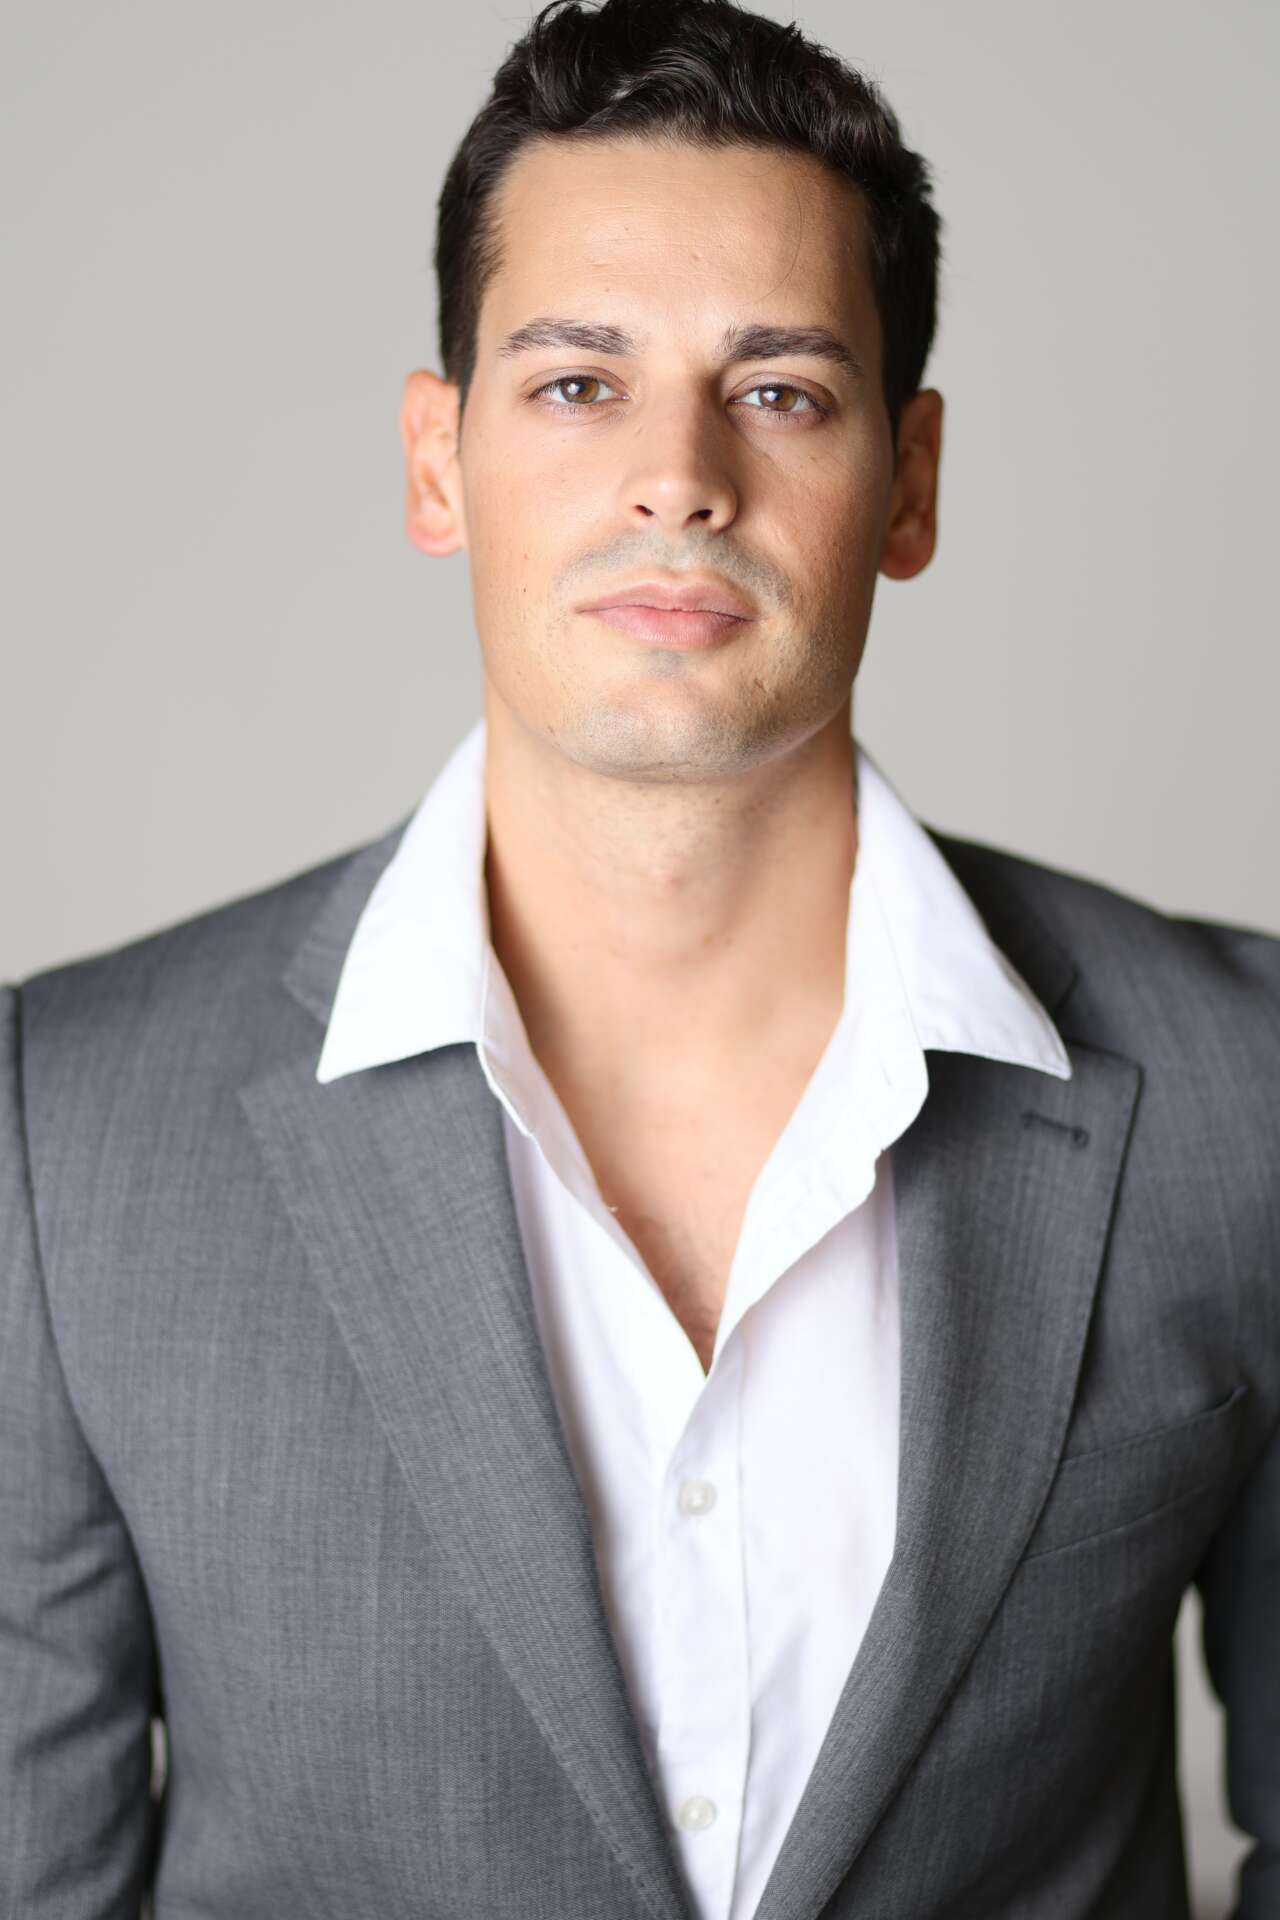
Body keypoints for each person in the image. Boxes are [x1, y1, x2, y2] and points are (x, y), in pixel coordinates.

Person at [2, 0, 1277, 1914]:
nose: (680, 476)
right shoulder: (67, 1136)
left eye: (781, 391)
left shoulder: (1244, 1095)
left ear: (909, 483)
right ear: (437, 463)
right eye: (579, 384)